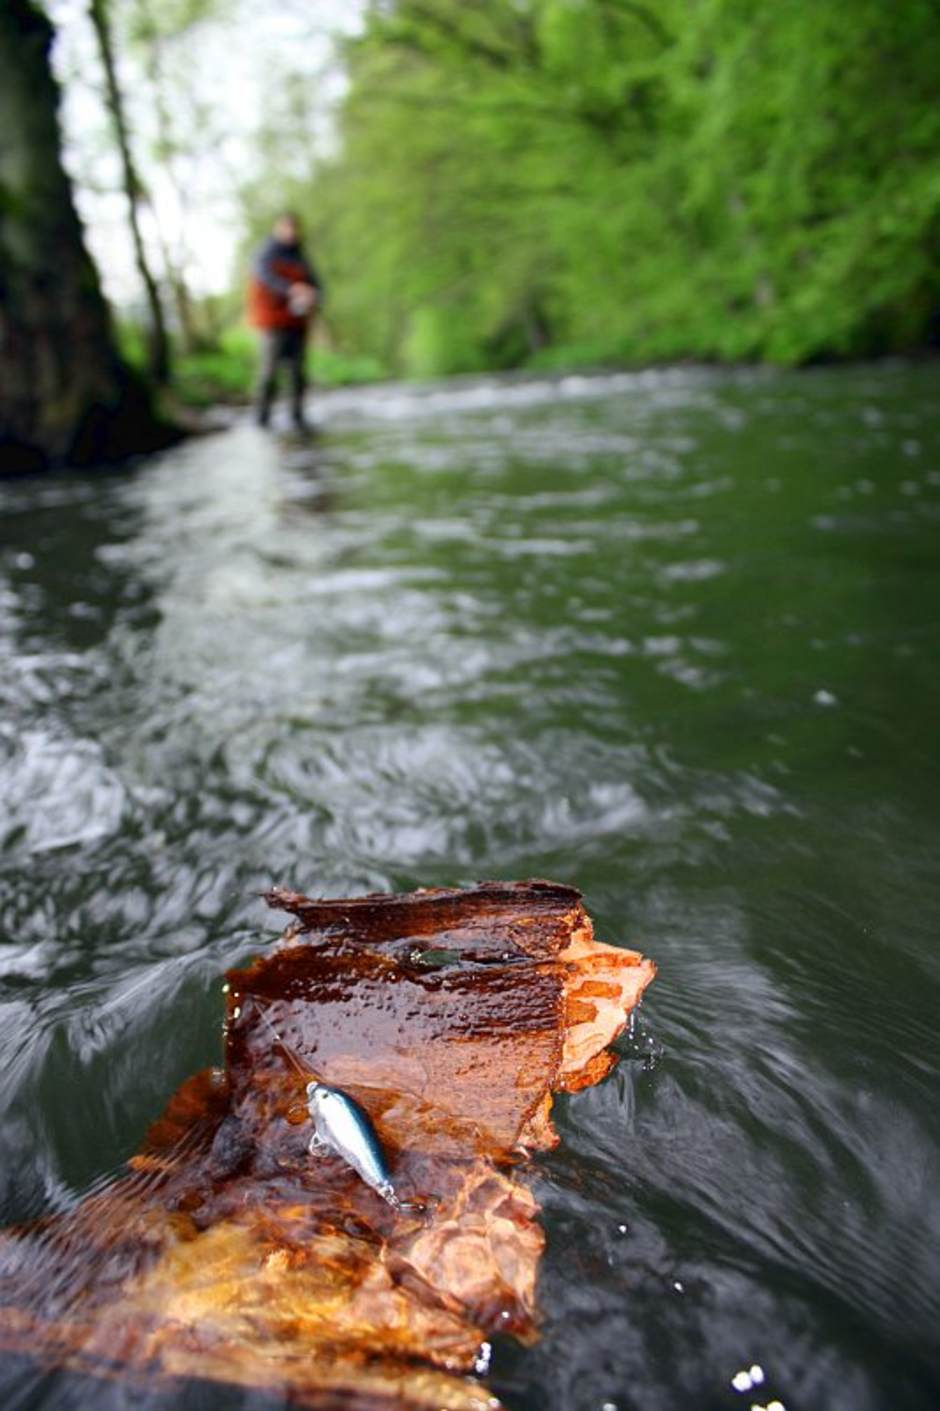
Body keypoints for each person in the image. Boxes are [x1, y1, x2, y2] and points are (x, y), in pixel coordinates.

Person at [247, 213, 323, 431]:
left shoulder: (301, 256)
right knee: (269, 372)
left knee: (298, 373)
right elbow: (265, 278)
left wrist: (314, 295)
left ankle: (297, 417)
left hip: (298, 323)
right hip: (272, 323)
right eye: (286, 228)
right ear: (277, 228)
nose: (291, 233)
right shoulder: (265, 253)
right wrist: (291, 289)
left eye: (294, 228)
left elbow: (317, 285)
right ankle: (261, 419)